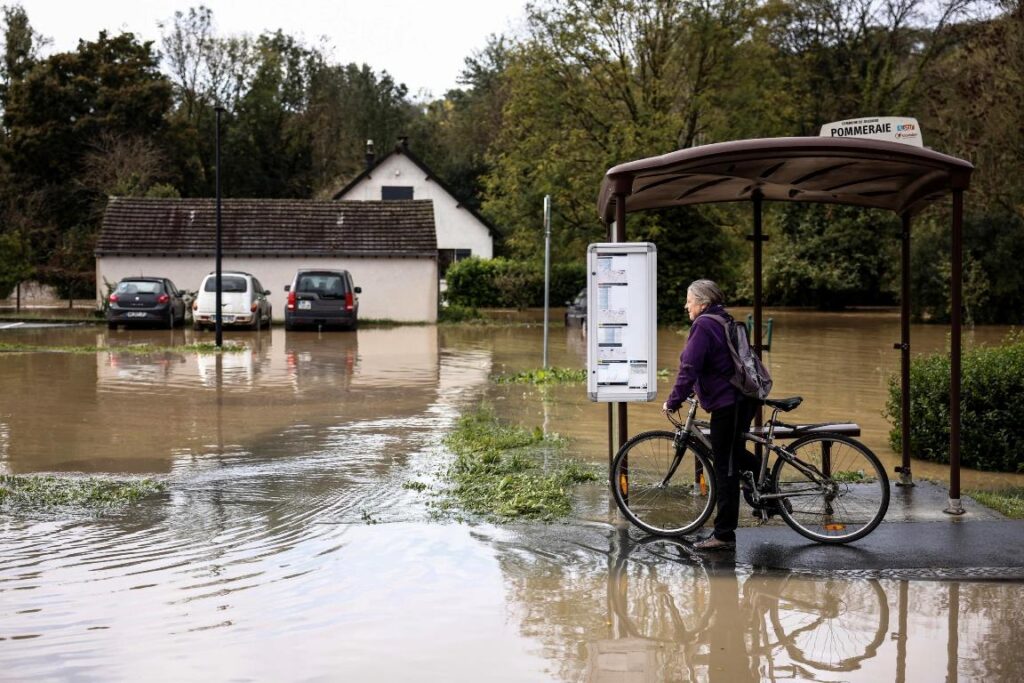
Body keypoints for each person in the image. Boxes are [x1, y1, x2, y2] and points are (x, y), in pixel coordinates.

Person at [663, 279, 757, 551]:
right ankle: (763, 485)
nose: (686, 305)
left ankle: (724, 536)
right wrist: (697, 391)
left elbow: (689, 366)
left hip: (729, 403)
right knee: (731, 453)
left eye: (689, 300)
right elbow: (719, 363)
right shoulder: (724, 319)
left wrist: (673, 400)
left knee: (725, 467)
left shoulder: (703, 324)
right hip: (741, 399)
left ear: (702, 303)